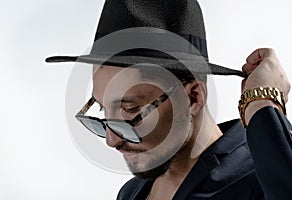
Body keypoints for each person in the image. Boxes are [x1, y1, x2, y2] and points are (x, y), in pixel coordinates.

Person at [46, 0, 292, 199]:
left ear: (193, 97)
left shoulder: (255, 179)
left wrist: (262, 104)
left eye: (130, 111)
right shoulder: (131, 193)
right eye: (102, 111)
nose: (111, 141)